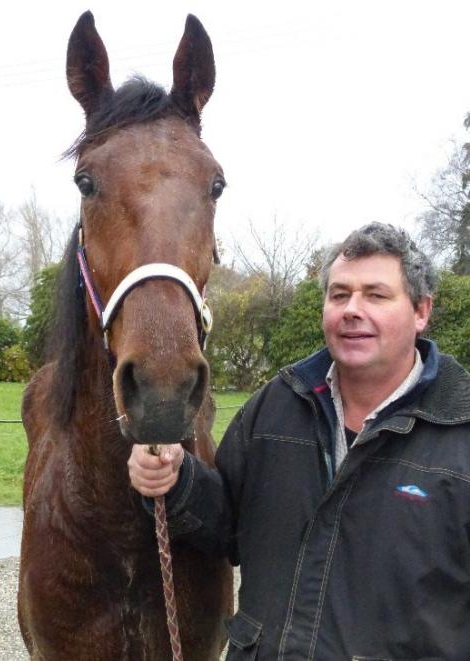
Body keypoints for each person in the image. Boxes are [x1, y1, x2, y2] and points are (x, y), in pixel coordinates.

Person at [128, 222, 470, 660]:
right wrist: (174, 480)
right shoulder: (279, 402)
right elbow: (225, 522)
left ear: (421, 311)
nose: (352, 309)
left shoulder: (459, 431)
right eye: (339, 294)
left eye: (376, 295)